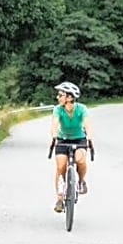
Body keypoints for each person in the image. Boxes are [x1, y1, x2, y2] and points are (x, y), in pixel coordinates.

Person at [49, 81, 93, 213]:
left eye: (60, 95)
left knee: (81, 160)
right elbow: (55, 124)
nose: (58, 97)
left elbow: (87, 124)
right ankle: (59, 198)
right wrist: (54, 136)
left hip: (79, 139)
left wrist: (90, 137)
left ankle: (81, 181)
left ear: (69, 97)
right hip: (62, 139)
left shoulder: (82, 109)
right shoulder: (58, 109)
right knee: (61, 166)